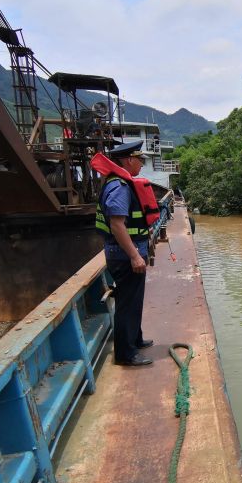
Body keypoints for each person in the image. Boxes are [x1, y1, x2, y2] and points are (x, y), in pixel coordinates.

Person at [95, 140, 154, 366]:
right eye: (139, 160)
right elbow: (117, 224)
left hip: (126, 254)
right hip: (124, 257)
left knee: (134, 301)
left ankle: (135, 340)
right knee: (127, 304)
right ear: (129, 160)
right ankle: (126, 355)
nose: (141, 164)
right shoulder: (119, 186)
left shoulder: (122, 183)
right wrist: (134, 256)